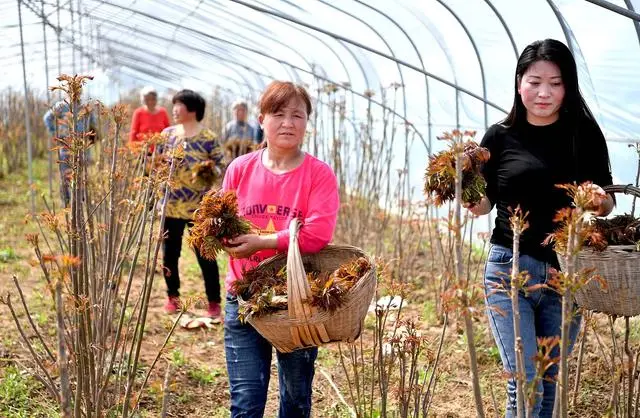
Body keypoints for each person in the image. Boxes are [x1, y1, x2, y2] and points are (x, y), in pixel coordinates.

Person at [468, 39, 614, 417]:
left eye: (555, 82)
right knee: (525, 377)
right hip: (508, 267)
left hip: (564, 273)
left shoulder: (584, 134)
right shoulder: (499, 136)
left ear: (568, 87)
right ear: (519, 83)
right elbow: (485, 204)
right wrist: (470, 197)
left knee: (546, 381)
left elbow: (608, 201)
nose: (544, 92)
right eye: (535, 81)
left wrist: (597, 199)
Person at [221, 81, 339, 417]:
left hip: (297, 301)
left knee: (296, 400)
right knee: (245, 404)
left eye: (297, 115)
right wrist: (227, 241)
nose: (288, 122)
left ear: (306, 123)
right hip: (243, 297)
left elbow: (317, 235)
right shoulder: (239, 170)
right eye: (278, 114)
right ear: (261, 120)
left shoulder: (318, 174)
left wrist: (262, 242)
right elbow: (222, 222)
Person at [160, 89, 224, 319]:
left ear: (193, 109)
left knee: (205, 254)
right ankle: (172, 296)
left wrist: (209, 169)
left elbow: (220, 165)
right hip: (171, 205)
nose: (175, 109)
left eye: (180, 105)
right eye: (174, 104)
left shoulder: (208, 137)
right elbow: (156, 163)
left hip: (199, 207)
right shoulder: (167, 134)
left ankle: (214, 302)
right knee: (169, 255)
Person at [44, 99, 98, 207]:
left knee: (81, 173)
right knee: (65, 173)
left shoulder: (84, 106)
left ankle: (81, 200)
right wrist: (55, 131)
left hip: (82, 144)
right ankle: (66, 200)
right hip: (66, 144)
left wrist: (90, 133)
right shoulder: (61, 106)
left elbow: (93, 123)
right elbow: (47, 118)